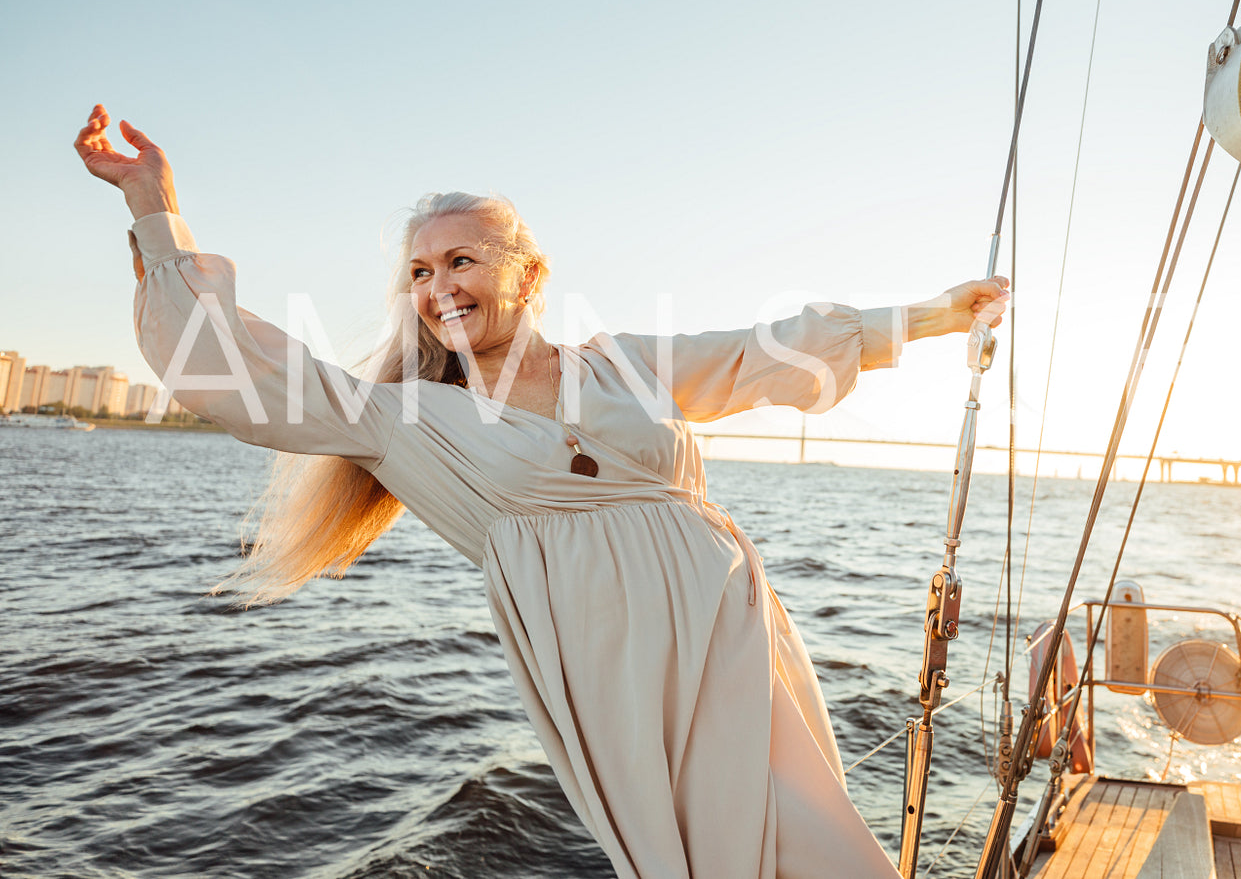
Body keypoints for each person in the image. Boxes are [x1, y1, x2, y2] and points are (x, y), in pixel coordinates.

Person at [74, 104, 1009, 879]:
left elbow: (762, 350)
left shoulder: (623, 364)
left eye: (462, 260)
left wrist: (930, 315)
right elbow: (237, 368)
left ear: (528, 272)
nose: (439, 286)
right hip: (617, 669)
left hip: (733, 630)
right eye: (420, 271)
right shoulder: (402, 418)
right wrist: (154, 204)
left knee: (821, 845)